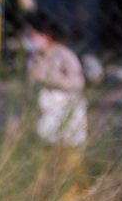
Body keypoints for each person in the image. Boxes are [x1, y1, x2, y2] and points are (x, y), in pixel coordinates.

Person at [21, 12, 87, 149]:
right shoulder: (34, 58)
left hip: (65, 108)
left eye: (32, 35)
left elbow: (77, 83)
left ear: (46, 35)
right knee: (45, 147)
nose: (29, 40)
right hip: (43, 109)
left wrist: (51, 80)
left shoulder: (64, 55)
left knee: (68, 148)